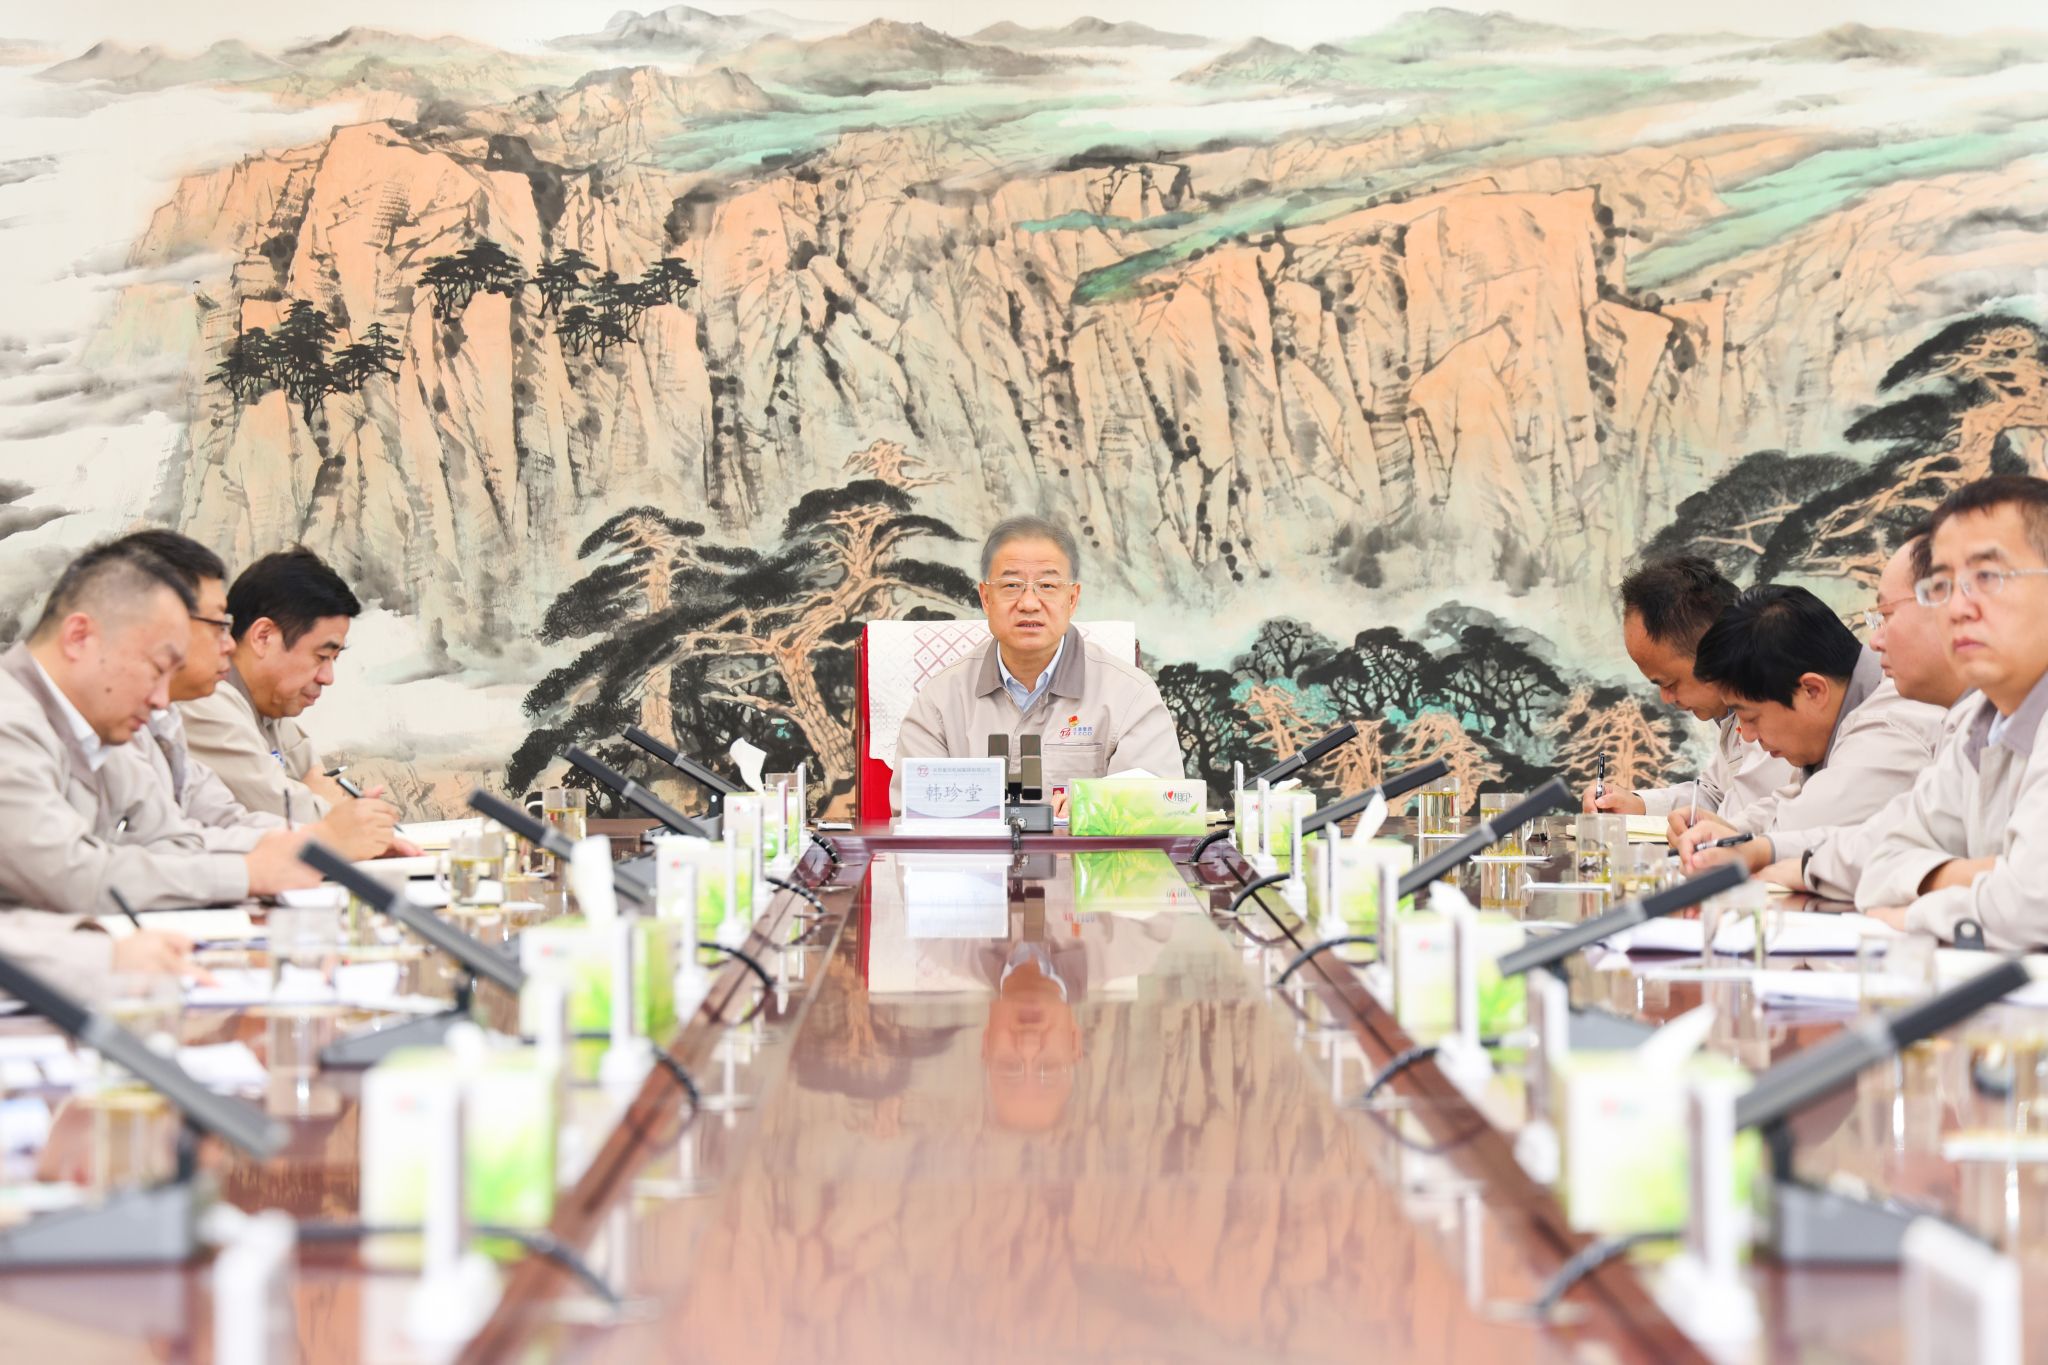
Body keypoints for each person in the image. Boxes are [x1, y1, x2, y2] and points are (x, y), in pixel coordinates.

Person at [0, 538, 318, 930]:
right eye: (155, 668)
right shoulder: (9, 720)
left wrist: (296, 849)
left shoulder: (102, 728)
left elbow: (173, 840)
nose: (161, 699)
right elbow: (71, 876)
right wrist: (245, 873)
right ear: (80, 636)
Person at [107, 531, 405, 860]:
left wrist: (336, 826)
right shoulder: (202, 701)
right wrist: (334, 828)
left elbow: (226, 819)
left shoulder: (261, 706)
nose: (227, 643)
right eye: (216, 626)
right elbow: (286, 812)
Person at [1859, 476, 2048, 946]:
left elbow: (2030, 907)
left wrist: (1915, 914)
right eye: (1941, 585)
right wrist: (1993, 874)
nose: (1958, 608)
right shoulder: (1980, 722)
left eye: (1987, 577)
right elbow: (1878, 870)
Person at [892, 516, 1183, 813]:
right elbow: (913, 816)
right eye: (1011, 585)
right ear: (986, 598)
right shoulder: (940, 700)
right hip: (974, 847)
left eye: (1047, 585)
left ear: (1072, 599)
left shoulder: (1130, 696)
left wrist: (1090, 808)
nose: (1029, 603)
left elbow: (1160, 812)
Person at [1752, 529, 1972, 895]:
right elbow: (1896, 834)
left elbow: (2022, 892)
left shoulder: (1892, 718)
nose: (1875, 640)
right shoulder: (1972, 720)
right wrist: (1773, 853)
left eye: (1887, 615)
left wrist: (1918, 900)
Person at [1672, 584, 1945, 871]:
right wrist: (1725, 831)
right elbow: (1790, 802)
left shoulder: (1886, 731)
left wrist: (1730, 840)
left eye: (1750, 718)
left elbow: (1798, 830)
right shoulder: (1847, 715)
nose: (1748, 736)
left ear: (1813, 690)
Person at [1583, 555, 1795, 825]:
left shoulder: (1781, 710)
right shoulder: (1729, 715)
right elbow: (1716, 795)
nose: (1666, 698)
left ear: (1714, 653)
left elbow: (1763, 821)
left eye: (1670, 683)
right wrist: (1638, 805)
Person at [181, 546, 387, 824]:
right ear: (263, 637)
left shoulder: (273, 707)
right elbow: (294, 818)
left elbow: (318, 789)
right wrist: (341, 814)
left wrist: (326, 805)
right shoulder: (204, 701)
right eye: (321, 656)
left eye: (334, 659)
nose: (328, 677)